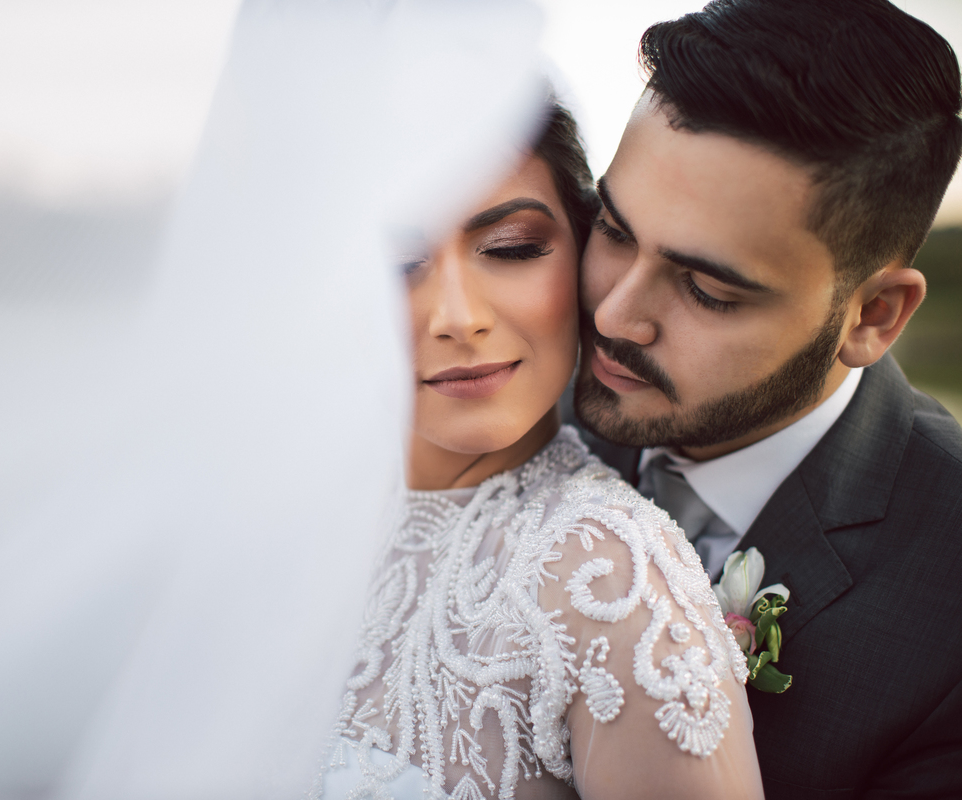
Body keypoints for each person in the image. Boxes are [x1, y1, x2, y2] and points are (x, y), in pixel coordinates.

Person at [566, 0, 962, 796]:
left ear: (871, 316)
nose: (613, 316)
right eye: (612, 229)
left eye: (708, 290)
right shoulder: (510, 402)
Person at [316, 101, 764, 800]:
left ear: (585, 254)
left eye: (511, 249)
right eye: (400, 264)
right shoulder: (281, 523)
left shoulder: (612, 576)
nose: (459, 318)